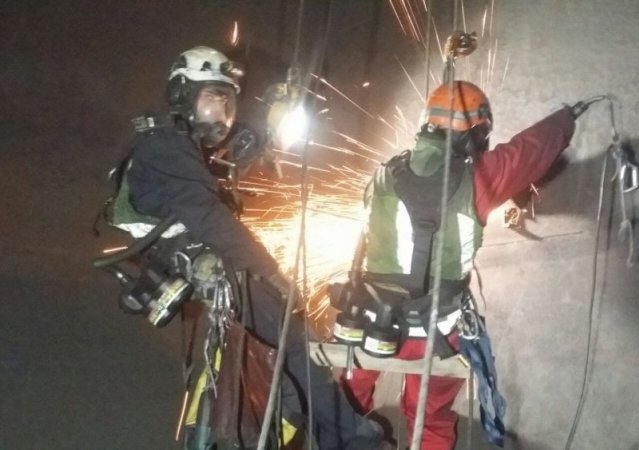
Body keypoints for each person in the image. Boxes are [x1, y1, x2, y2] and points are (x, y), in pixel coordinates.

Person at [108, 45, 385, 450]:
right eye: (210, 100)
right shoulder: (165, 146)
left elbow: (222, 163)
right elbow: (209, 216)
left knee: (277, 350)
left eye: (227, 102)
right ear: (183, 96)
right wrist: (270, 270)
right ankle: (353, 441)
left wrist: (269, 128)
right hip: (209, 269)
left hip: (205, 267)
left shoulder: (177, 144)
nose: (220, 113)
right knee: (292, 343)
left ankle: (322, 431)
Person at [338, 81, 583, 449]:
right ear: (477, 132)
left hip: (373, 322)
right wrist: (567, 117)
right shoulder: (481, 175)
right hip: (436, 332)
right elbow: (530, 151)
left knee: (345, 404)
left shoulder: (383, 174)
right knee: (430, 415)